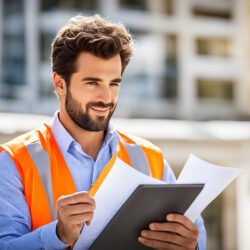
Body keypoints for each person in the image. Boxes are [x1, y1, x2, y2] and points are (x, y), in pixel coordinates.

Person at [0, 15, 206, 249]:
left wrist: (191, 245)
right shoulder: (13, 162)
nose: (106, 97)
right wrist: (57, 234)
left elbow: (196, 236)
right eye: (92, 83)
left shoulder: (150, 159)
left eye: (114, 83)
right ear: (60, 84)